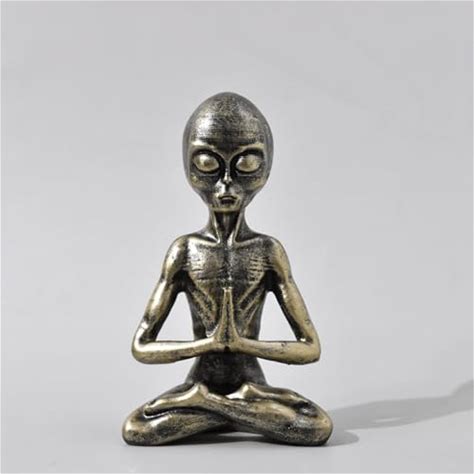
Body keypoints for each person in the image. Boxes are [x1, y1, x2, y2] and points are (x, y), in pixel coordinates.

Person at [122, 92, 332, 446]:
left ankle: (208, 405)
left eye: (246, 166)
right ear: (189, 167)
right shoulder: (185, 251)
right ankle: (229, 407)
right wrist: (207, 344)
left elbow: (310, 347)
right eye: (208, 165)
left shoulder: (267, 251)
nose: (226, 186)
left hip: (252, 386)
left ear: (265, 169)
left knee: (315, 425)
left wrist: (241, 344)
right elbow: (142, 346)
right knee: (137, 428)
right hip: (206, 381)